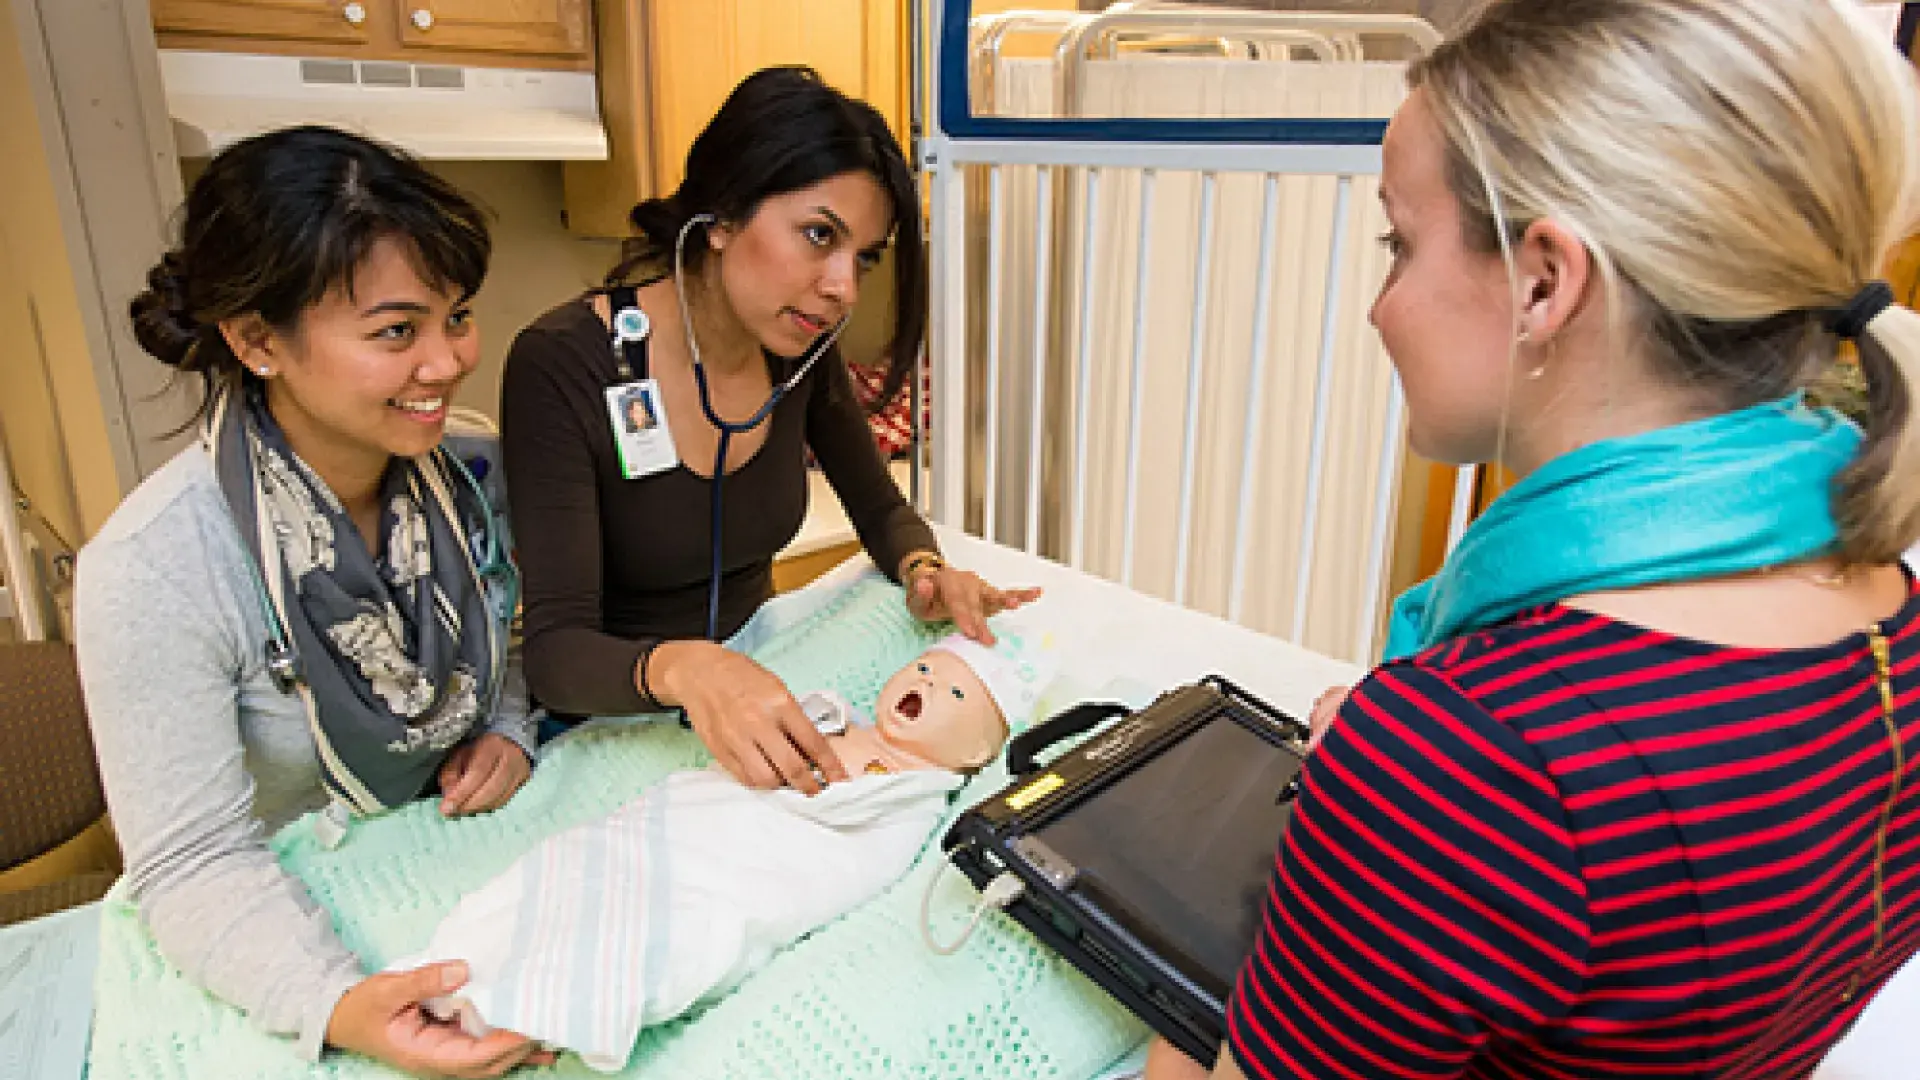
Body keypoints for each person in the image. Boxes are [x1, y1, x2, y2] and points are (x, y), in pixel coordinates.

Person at [1149, 1, 1920, 1077]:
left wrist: (1370, 835)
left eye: (1399, 244)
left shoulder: (1475, 759)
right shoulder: (1891, 607)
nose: (1379, 307)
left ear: (1546, 281)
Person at [77, 126, 552, 1077]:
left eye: (457, 317)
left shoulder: (468, 470)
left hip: (459, 874)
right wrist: (335, 1004)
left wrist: (506, 725)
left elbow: (512, 636)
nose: (447, 361)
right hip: (276, 941)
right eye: (395, 331)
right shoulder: (155, 565)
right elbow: (192, 864)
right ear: (257, 340)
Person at [500, 66, 1038, 794]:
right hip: (613, 721)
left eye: (864, 258)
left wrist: (924, 571)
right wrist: (691, 668)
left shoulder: (799, 352)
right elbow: (556, 652)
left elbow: (880, 510)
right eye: (820, 235)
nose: (844, 287)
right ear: (723, 215)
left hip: (764, 681)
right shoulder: (561, 364)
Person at [393, 631, 1051, 1072]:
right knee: (574, 864)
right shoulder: (832, 718)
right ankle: (456, 964)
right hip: (684, 828)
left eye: (957, 695)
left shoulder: (915, 798)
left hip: (747, 870)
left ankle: (537, 1010)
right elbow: (751, 741)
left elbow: (855, 865)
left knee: (683, 930)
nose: (931, 684)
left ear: (974, 756)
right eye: (926, 669)